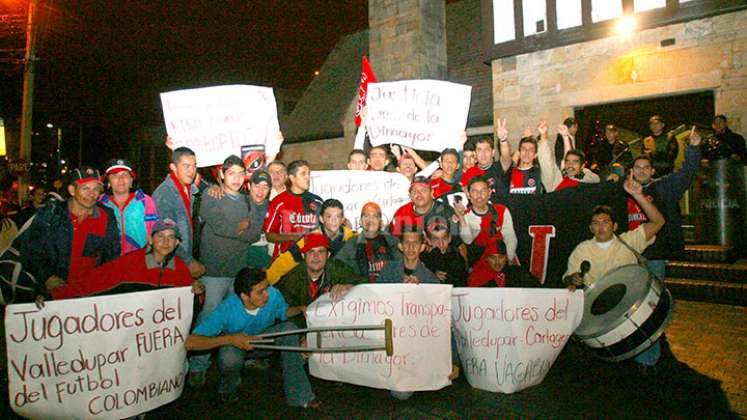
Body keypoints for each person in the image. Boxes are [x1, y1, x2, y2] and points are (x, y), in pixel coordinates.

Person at [185, 268, 318, 407]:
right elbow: (190, 342)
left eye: (266, 288)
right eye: (260, 292)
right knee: (229, 358)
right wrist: (231, 339)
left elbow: (282, 312)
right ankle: (228, 388)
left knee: (290, 329)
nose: (266, 294)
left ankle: (300, 396)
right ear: (244, 296)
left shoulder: (272, 294)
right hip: (237, 346)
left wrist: (299, 308)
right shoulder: (227, 309)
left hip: (264, 341)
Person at [190, 155, 263, 386]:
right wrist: (239, 227)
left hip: (238, 273)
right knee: (209, 318)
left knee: (235, 323)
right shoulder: (210, 196)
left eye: (241, 174)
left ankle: (230, 369)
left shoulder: (248, 201)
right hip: (212, 272)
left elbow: (254, 234)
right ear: (222, 174)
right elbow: (217, 226)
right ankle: (197, 366)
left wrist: (240, 229)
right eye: (231, 173)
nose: (236, 178)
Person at [16, 167, 120, 299]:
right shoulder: (51, 214)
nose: (91, 194)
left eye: (95, 189)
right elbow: (29, 250)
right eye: (85, 188)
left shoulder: (106, 216)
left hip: (89, 294)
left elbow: (111, 255)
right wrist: (46, 277)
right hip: (51, 293)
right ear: (72, 190)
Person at [49, 218, 202, 299]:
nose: (165, 242)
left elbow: (191, 304)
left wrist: (198, 291)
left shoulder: (181, 269)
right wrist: (54, 295)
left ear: (177, 243)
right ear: (150, 239)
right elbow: (93, 281)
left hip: (158, 343)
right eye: (160, 236)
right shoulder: (130, 263)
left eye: (171, 238)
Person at [628, 127, 702, 280]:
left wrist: (693, 149)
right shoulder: (622, 190)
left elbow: (686, 174)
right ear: (632, 171)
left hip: (655, 252)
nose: (641, 171)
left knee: (656, 293)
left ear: (653, 171)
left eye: (646, 167)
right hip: (630, 253)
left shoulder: (663, 187)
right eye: (637, 167)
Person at [276, 233, 365, 328]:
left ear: (328, 255)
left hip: (337, 326)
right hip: (304, 328)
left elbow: (365, 285)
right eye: (311, 252)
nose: (316, 256)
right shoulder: (292, 278)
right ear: (303, 256)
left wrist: (349, 287)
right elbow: (281, 311)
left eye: (321, 252)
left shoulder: (338, 269)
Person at [266, 198, 355, 284]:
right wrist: (266, 283)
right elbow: (282, 263)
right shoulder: (310, 238)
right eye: (329, 216)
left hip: (343, 282)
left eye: (337, 216)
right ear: (321, 219)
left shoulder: (351, 237)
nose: (334, 220)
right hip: (315, 283)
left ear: (342, 220)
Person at [153, 147, 205, 279]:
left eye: (194, 166)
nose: (191, 171)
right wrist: (189, 262)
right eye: (186, 166)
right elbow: (167, 238)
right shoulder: (164, 193)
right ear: (173, 167)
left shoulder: (189, 189)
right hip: (170, 263)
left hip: (183, 260)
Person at [264, 159, 323, 260]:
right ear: (292, 178)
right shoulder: (278, 202)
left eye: (309, 174)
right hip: (285, 259)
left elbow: (324, 230)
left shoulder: (317, 201)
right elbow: (269, 235)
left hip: (312, 259)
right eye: (303, 174)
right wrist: (292, 237)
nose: (308, 178)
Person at [98, 158, 159, 255]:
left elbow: (155, 232)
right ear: (108, 182)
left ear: (131, 181)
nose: (121, 179)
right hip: (110, 260)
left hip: (139, 259)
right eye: (114, 175)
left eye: (125, 175)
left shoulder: (145, 201)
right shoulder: (100, 203)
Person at [455, 176, 518, 266]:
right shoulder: (465, 214)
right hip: (479, 260)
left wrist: (508, 260)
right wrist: (461, 217)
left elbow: (510, 238)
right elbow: (467, 240)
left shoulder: (502, 210)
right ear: (468, 194)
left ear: (489, 193)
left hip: (501, 258)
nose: (479, 195)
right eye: (474, 191)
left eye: (483, 191)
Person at [335, 202, 401, 283]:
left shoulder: (392, 242)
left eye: (375, 216)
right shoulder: (352, 243)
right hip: (361, 291)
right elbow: (336, 266)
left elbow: (404, 266)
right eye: (366, 216)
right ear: (360, 222)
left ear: (381, 222)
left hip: (387, 290)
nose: (370, 220)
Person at [460, 119, 512, 199]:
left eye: (486, 150)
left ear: (493, 152)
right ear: (475, 154)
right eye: (479, 150)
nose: (483, 154)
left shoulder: (499, 167)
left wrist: (503, 140)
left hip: (501, 210)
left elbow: (506, 157)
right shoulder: (469, 173)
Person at [389, 176, 456, 238]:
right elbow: (395, 241)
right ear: (410, 195)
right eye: (414, 191)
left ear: (431, 192)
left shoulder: (446, 211)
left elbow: (456, 241)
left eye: (423, 190)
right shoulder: (401, 213)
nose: (419, 194)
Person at [539, 124, 600, 192]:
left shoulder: (589, 181)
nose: (570, 165)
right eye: (567, 161)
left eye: (575, 162)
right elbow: (546, 162)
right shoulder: (557, 181)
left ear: (582, 166)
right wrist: (543, 136)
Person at [467, 239, 538, 287]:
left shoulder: (519, 274)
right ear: (487, 259)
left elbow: (540, 291)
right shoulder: (477, 278)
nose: (497, 262)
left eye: (501, 257)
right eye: (493, 258)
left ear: (506, 258)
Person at [420, 220, 467, 287]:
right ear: (428, 240)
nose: (441, 244)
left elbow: (461, 283)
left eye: (444, 238)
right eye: (436, 239)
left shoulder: (457, 258)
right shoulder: (423, 259)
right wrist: (433, 274)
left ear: (449, 238)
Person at [502, 122, 545, 195]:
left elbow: (546, 156)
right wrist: (523, 138)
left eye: (531, 150)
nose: (527, 152)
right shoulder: (512, 173)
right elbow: (508, 162)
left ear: (535, 155)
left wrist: (543, 136)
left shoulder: (539, 172)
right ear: (519, 152)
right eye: (524, 149)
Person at [245, 170, 273, 269]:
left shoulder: (274, 208)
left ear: (269, 190)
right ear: (249, 186)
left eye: (265, 187)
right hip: (239, 266)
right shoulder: (238, 204)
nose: (260, 191)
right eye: (257, 186)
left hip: (265, 267)